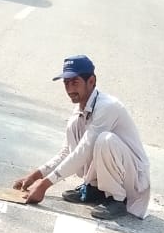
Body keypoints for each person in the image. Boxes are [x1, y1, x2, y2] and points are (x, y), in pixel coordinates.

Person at [13, 56, 150, 221]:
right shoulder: (81, 109)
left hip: (133, 179)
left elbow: (84, 150)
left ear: (91, 81)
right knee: (74, 127)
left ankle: (117, 199)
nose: (69, 89)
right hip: (118, 170)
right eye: (66, 83)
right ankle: (95, 189)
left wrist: (45, 184)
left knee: (104, 140)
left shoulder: (108, 106)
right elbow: (68, 151)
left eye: (75, 82)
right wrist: (36, 175)